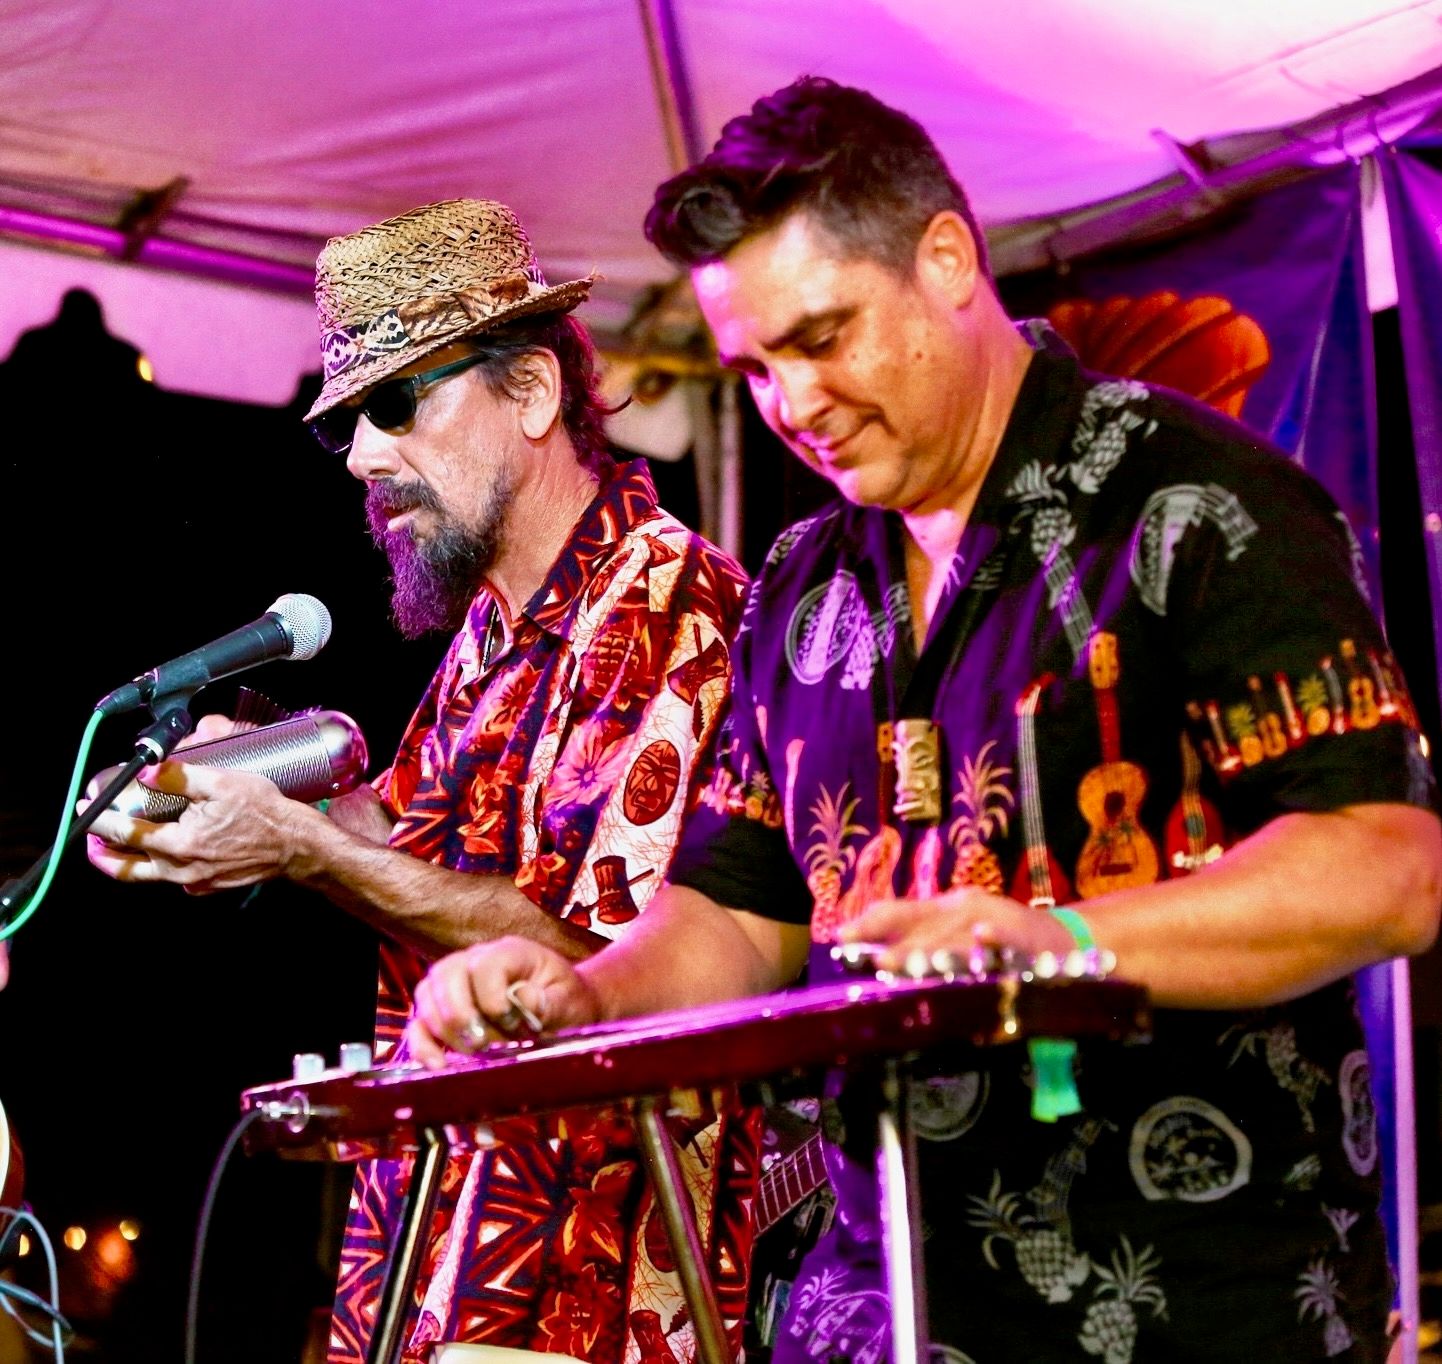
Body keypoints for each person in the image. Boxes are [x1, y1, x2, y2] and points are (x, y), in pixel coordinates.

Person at [399, 79, 1442, 1363]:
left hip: (1194, 1311)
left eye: (822, 336)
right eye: (755, 367)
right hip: (877, 1307)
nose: (792, 402)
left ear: (945, 258)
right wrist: (578, 995)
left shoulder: (1197, 499)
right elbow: (737, 913)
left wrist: (1056, 941)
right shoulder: (800, 579)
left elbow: (1383, 866)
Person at [81, 198, 758, 1364]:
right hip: (441, 1250)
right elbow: (403, 838)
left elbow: (596, 964)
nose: (361, 453)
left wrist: (301, 845)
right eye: (348, 420)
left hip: (595, 1280)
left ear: (532, 392)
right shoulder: (486, 636)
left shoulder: (669, 604)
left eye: (396, 404)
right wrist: (235, 793)